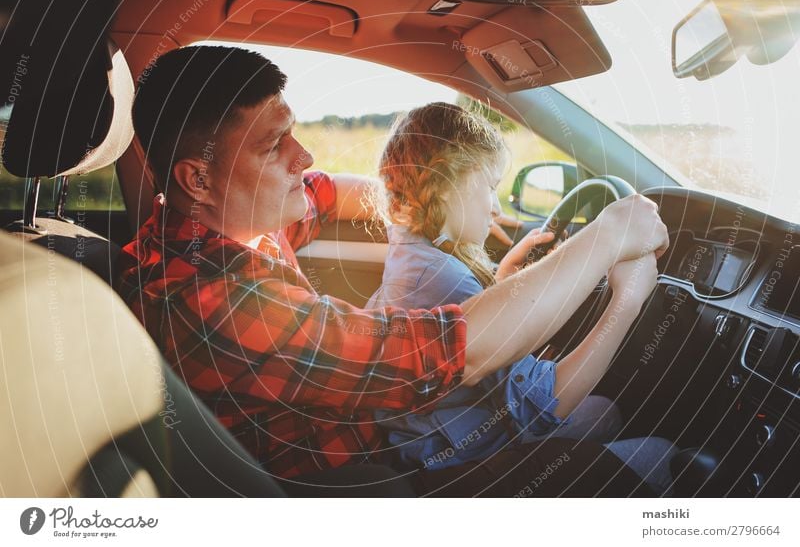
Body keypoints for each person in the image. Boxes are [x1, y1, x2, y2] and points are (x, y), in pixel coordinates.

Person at [116, 44, 671, 496]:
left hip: (378, 434)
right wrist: (610, 239)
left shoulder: (229, 222)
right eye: (272, 147)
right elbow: (453, 352)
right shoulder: (219, 299)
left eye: (293, 132)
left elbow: (329, 192)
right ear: (198, 180)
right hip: (356, 481)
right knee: (655, 461)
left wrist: (440, 218)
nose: (303, 155)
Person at [366, 102, 678, 494]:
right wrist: (626, 301)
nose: (496, 207)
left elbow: (469, 329)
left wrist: (502, 284)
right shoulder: (441, 275)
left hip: (425, 443)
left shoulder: (414, 254)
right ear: (446, 185)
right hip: (457, 465)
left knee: (605, 412)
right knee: (663, 455)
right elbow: (549, 405)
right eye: (490, 187)